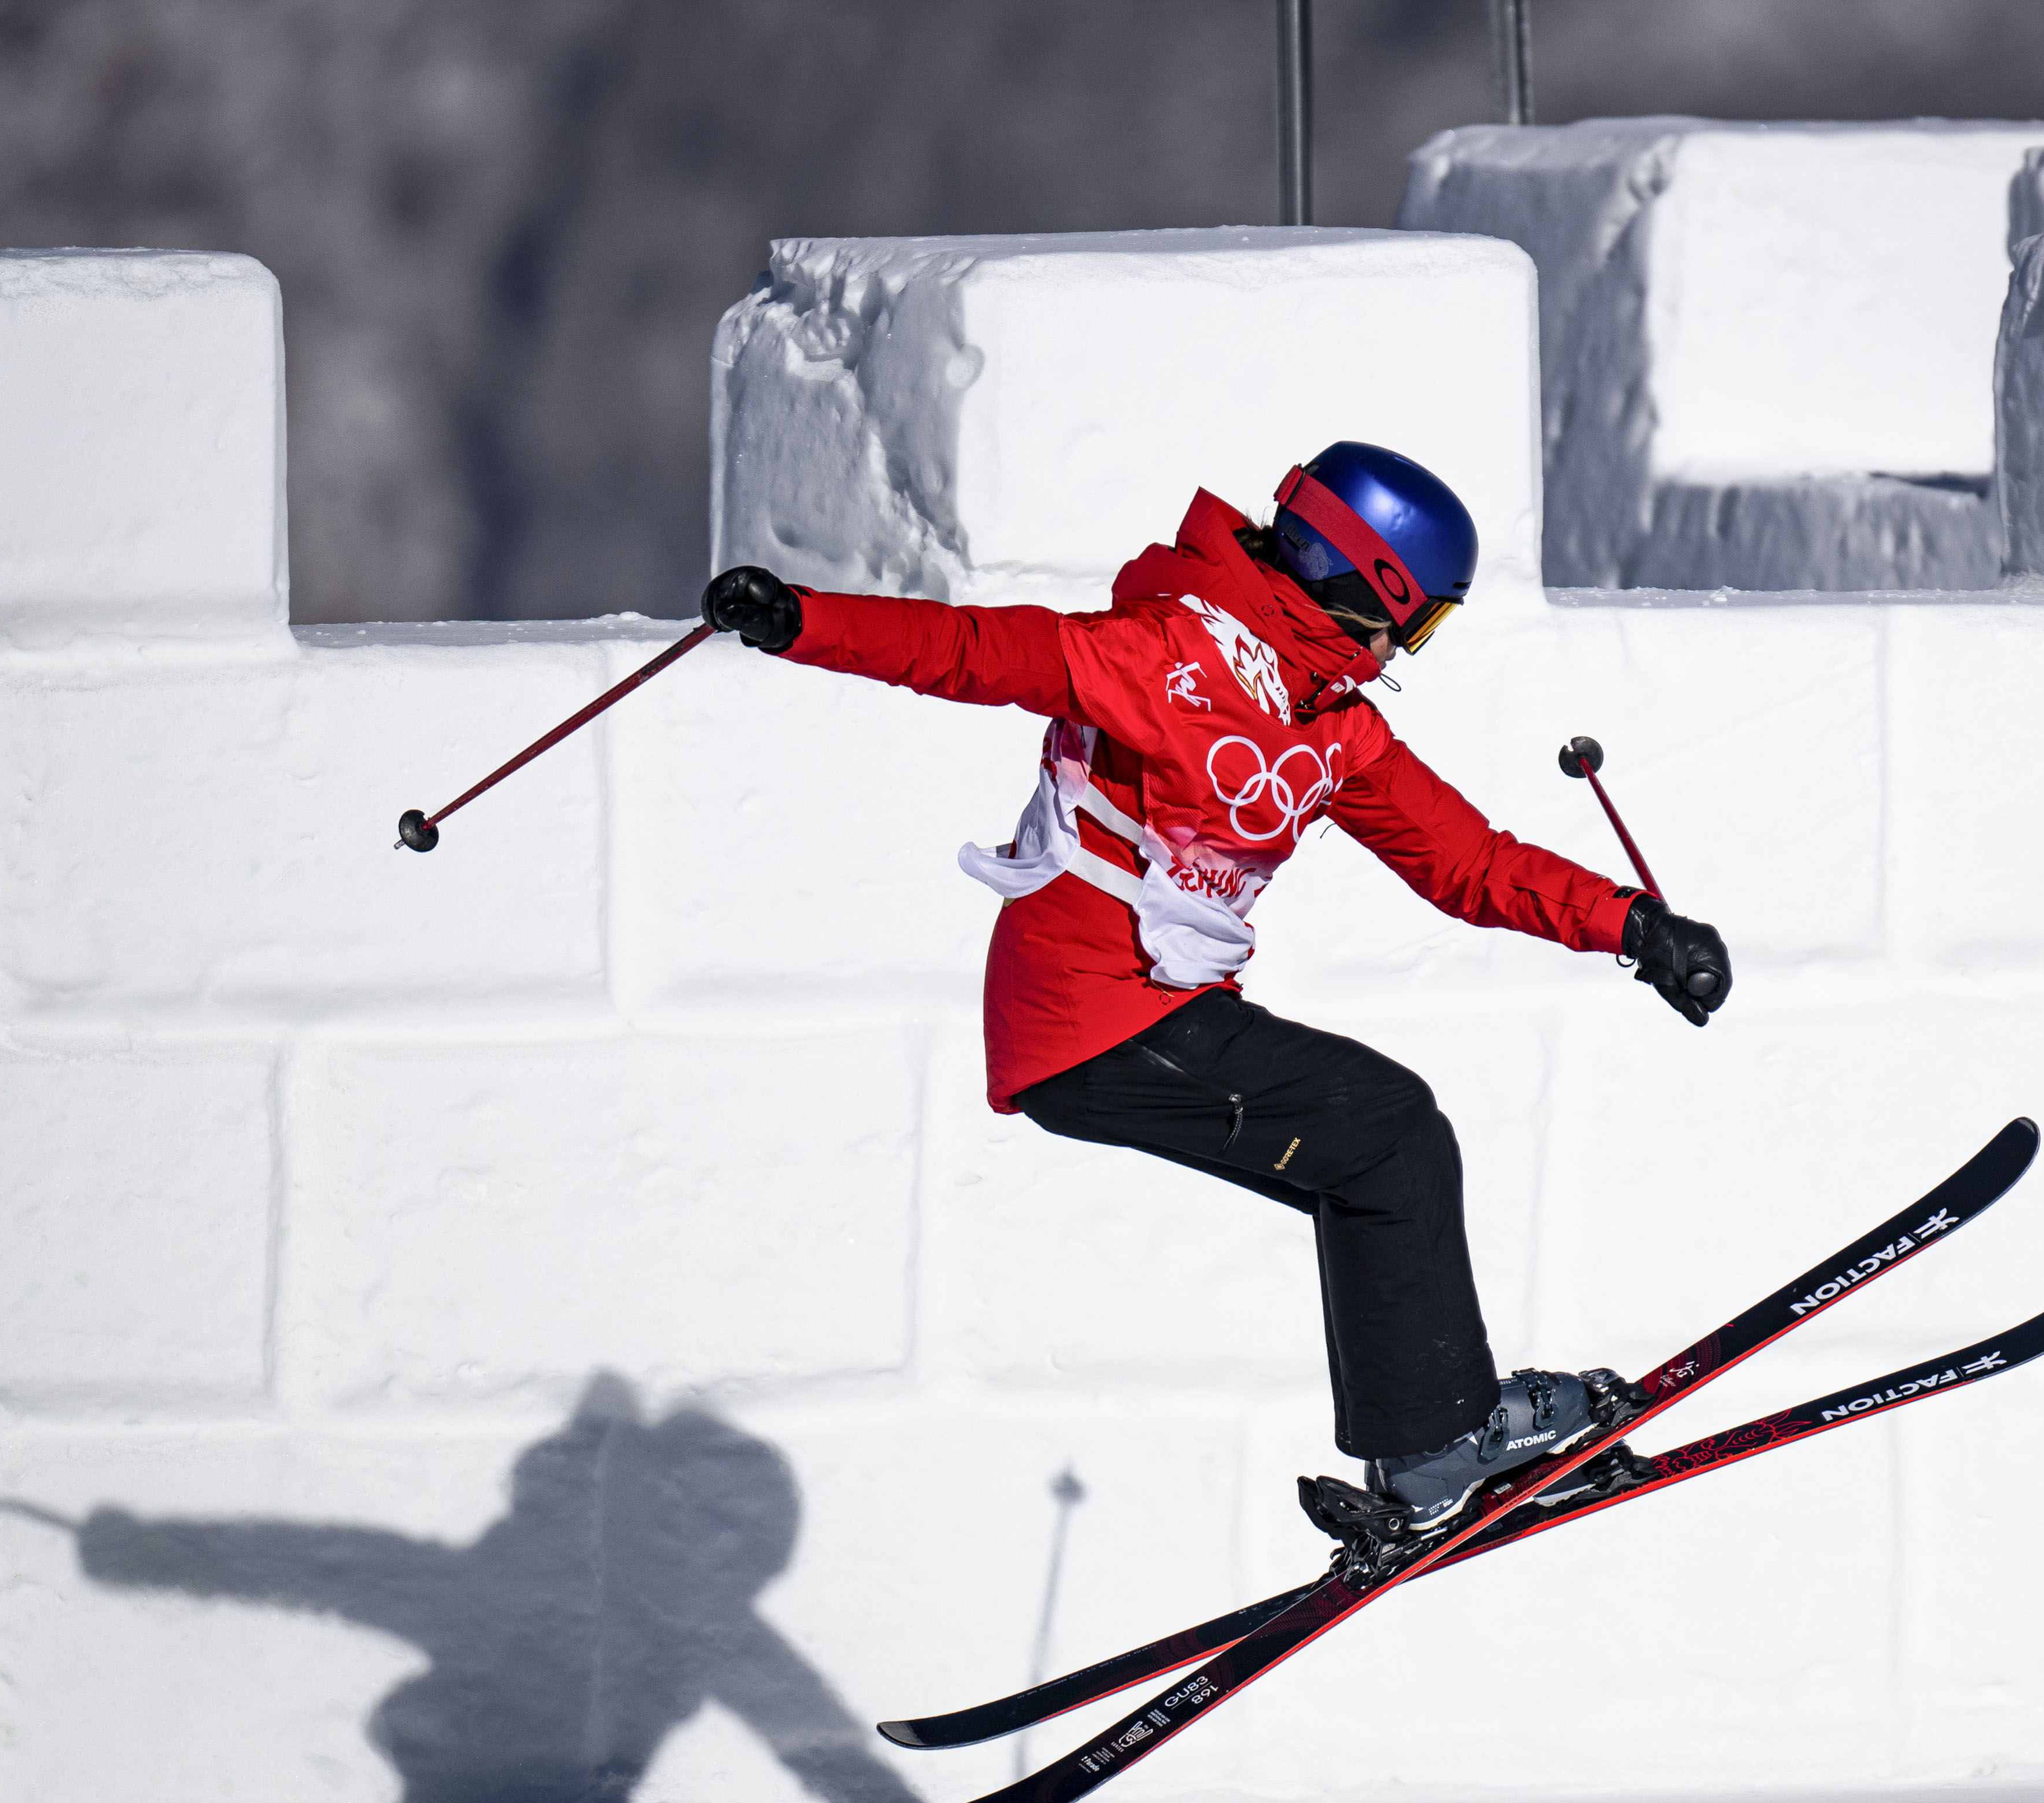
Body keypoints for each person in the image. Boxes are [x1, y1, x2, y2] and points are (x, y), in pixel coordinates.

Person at [700, 441, 1731, 1541]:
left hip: (1156, 1016)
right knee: (1390, 1131)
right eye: (1418, 619)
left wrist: (1632, 925)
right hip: (1092, 1017)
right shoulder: (1166, 654)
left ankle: (1437, 1437)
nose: (1406, 648)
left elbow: (1464, 861)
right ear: (1365, 583)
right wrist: (798, 620)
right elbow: (970, 651)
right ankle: (1439, 1450)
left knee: (1380, 1166)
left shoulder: (1329, 722)